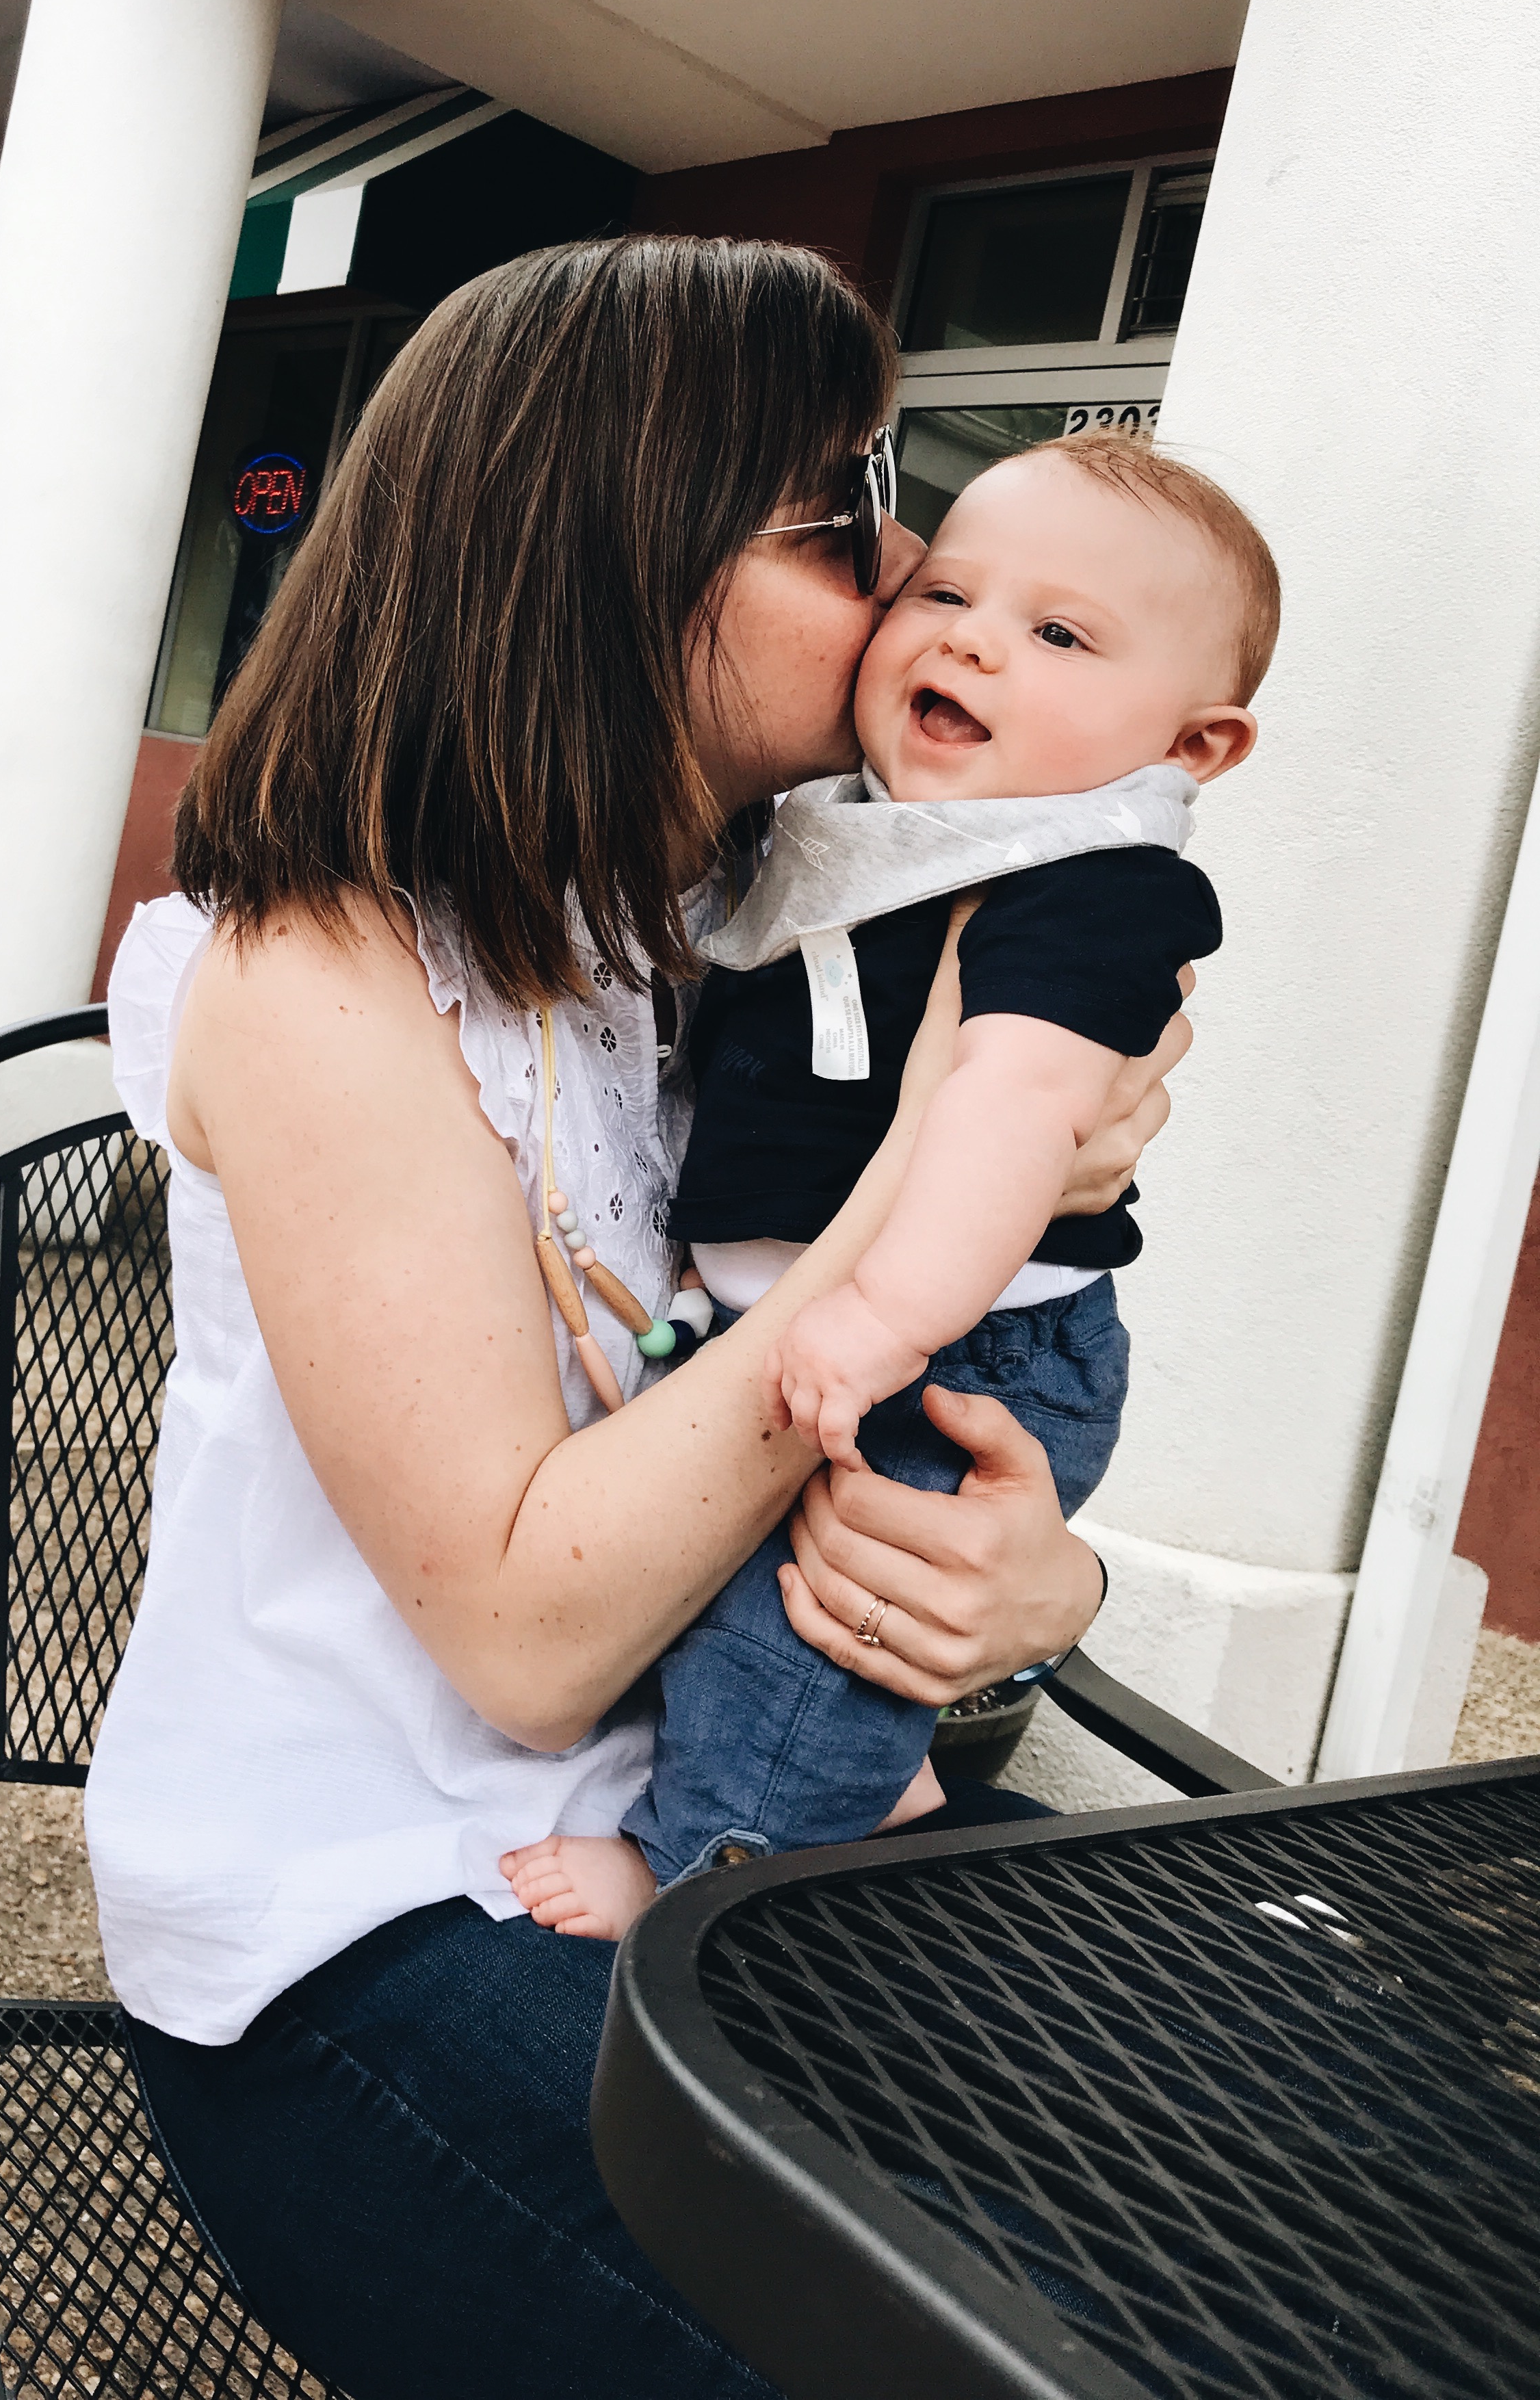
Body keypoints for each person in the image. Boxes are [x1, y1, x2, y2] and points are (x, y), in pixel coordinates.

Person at [88, 238, 1192, 2400]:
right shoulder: (319, 973)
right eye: (846, 510)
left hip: (707, 1833)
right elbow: (525, 1634)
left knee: (1331, 2145)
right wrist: (927, 1183)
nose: (913, 578)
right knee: (1016, 2346)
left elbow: (955, 1411)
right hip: (374, 1930)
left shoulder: (753, 937)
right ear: (616, 554)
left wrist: (1026, 1596)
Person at [504, 432, 1275, 1944]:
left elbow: (1011, 1110)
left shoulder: (1088, 880)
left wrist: (886, 1317)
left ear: (1193, 746)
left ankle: (707, 1877)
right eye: (950, 594)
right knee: (742, 1609)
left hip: (960, 1346)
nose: (973, 641)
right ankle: (878, 1788)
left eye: (1059, 636)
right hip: (819, 1327)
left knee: (797, 1638)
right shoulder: (856, 834)